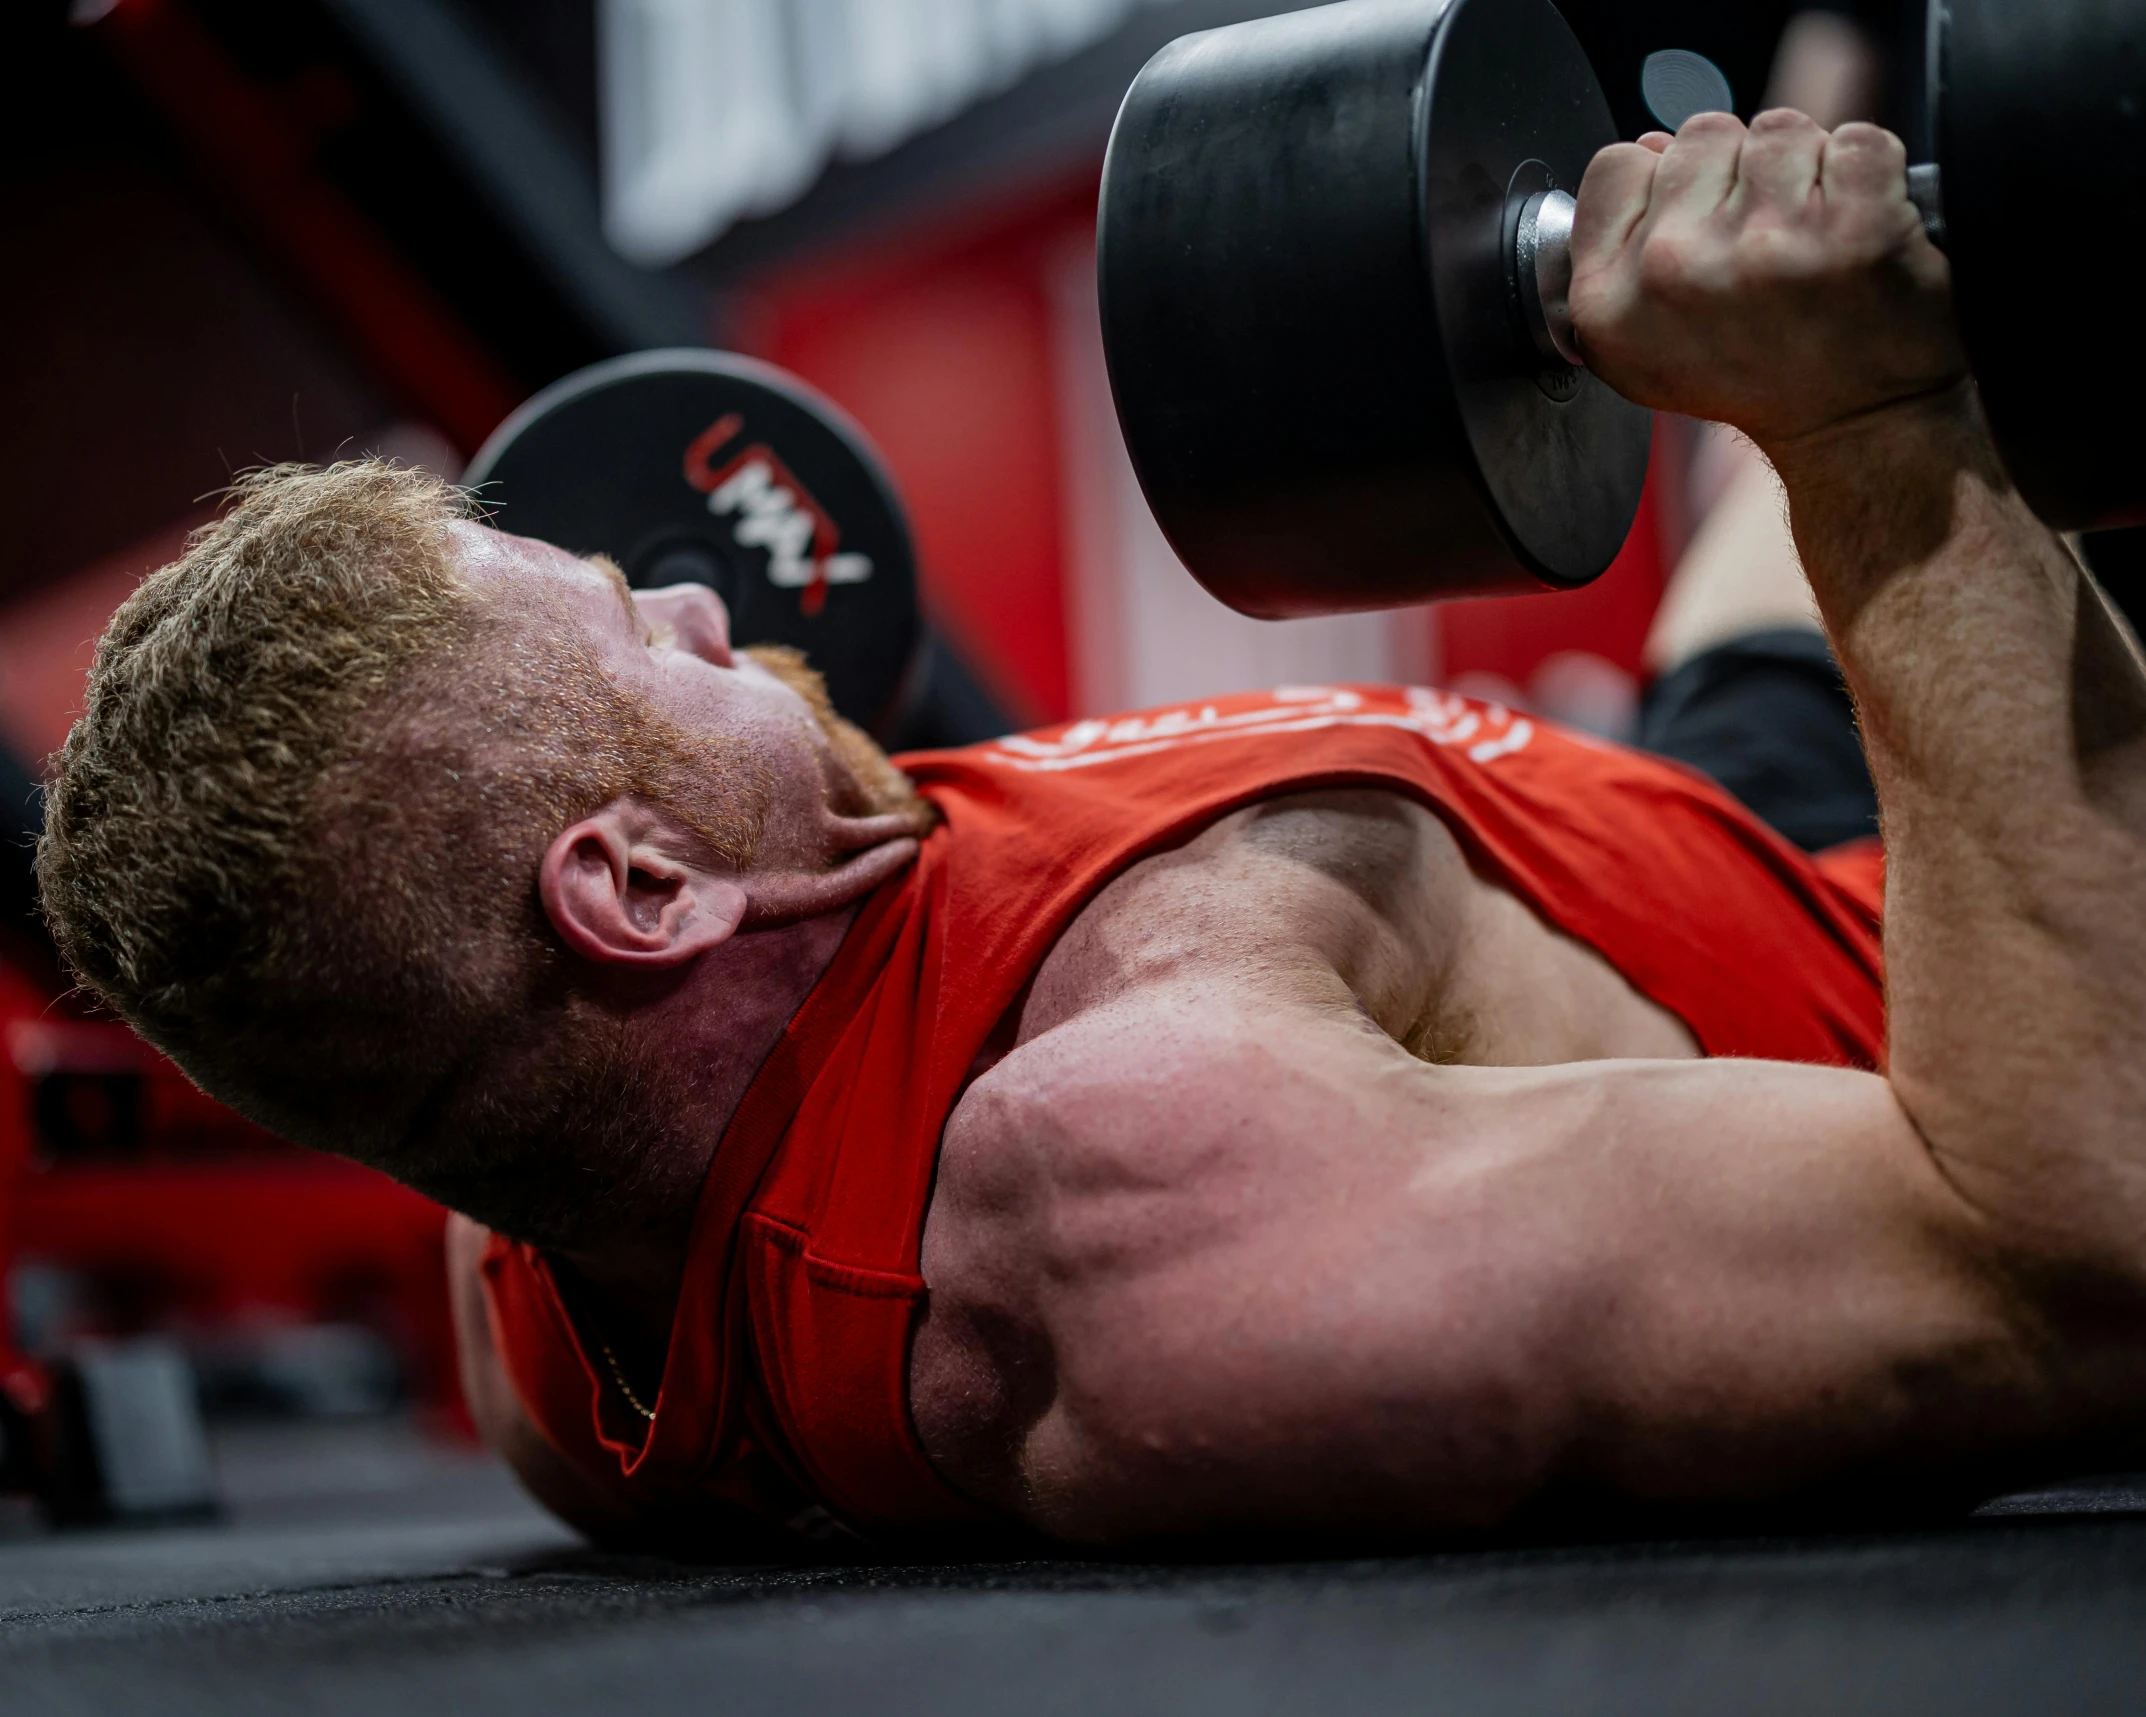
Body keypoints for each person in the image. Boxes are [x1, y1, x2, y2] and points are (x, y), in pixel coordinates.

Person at [36, 110, 2146, 1550]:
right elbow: (2070, 1256)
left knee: (1783, 265)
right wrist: (1868, 428)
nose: (699, 595)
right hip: (1990, 985)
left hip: (1701, 810)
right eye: (632, 627)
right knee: (1893, 406)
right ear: (639, 893)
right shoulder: (1161, 1201)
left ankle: (1826, 101)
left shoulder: (525, 1212)